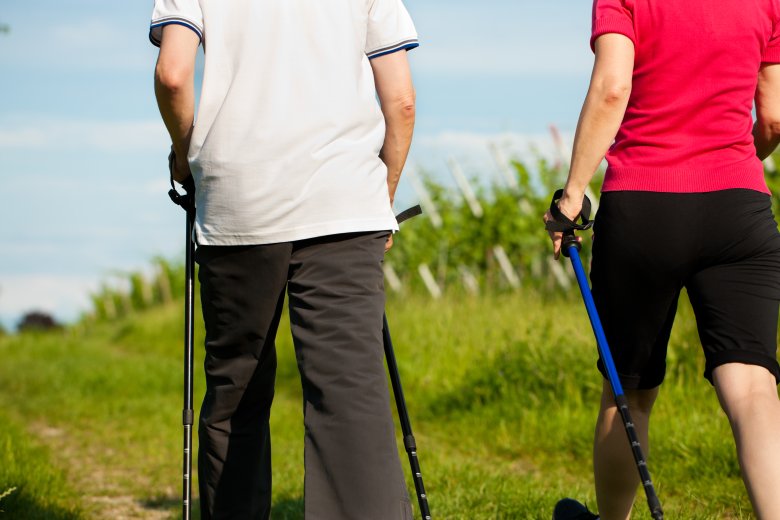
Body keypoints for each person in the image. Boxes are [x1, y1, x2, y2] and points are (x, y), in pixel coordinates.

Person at [150, 1, 418, 518]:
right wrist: (381, 194)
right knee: (349, 396)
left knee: (236, 392)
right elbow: (401, 100)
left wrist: (186, 157)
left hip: (239, 201)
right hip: (344, 203)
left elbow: (173, 73)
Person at [545, 1, 780, 519]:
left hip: (644, 203)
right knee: (752, 384)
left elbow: (612, 88)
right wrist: (727, 170)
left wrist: (572, 198)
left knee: (626, 389)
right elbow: (775, 116)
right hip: (738, 205)